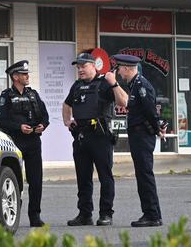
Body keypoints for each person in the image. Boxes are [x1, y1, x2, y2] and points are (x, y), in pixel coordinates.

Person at [62, 53, 128, 226]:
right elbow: (66, 104)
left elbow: (123, 102)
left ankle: (106, 214)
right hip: (81, 137)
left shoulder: (104, 84)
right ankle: (85, 214)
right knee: (83, 178)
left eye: (83, 66)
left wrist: (114, 82)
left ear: (94, 66)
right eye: (78, 67)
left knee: (105, 177)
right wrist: (67, 121)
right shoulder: (76, 86)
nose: (80, 70)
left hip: (100, 136)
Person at [113, 54, 165, 227]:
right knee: (142, 175)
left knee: (145, 176)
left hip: (143, 136)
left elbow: (151, 111)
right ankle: (150, 213)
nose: (118, 71)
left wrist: (158, 128)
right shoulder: (134, 84)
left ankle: (152, 215)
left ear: (127, 68)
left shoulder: (141, 85)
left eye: (120, 67)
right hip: (138, 136)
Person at [0, 60, 50, 227]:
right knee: (15, 181)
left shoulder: (33, 94)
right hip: (15, 142)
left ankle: (35, 216)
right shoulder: (6, 96)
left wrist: (43, 125)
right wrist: (19, 127)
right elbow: (2, 121)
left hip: (34, 141)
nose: (27, 77)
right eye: (24, 74)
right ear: (15, 77)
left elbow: (45, 115)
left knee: (36, 181)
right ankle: (11, 216)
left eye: (27, 74)